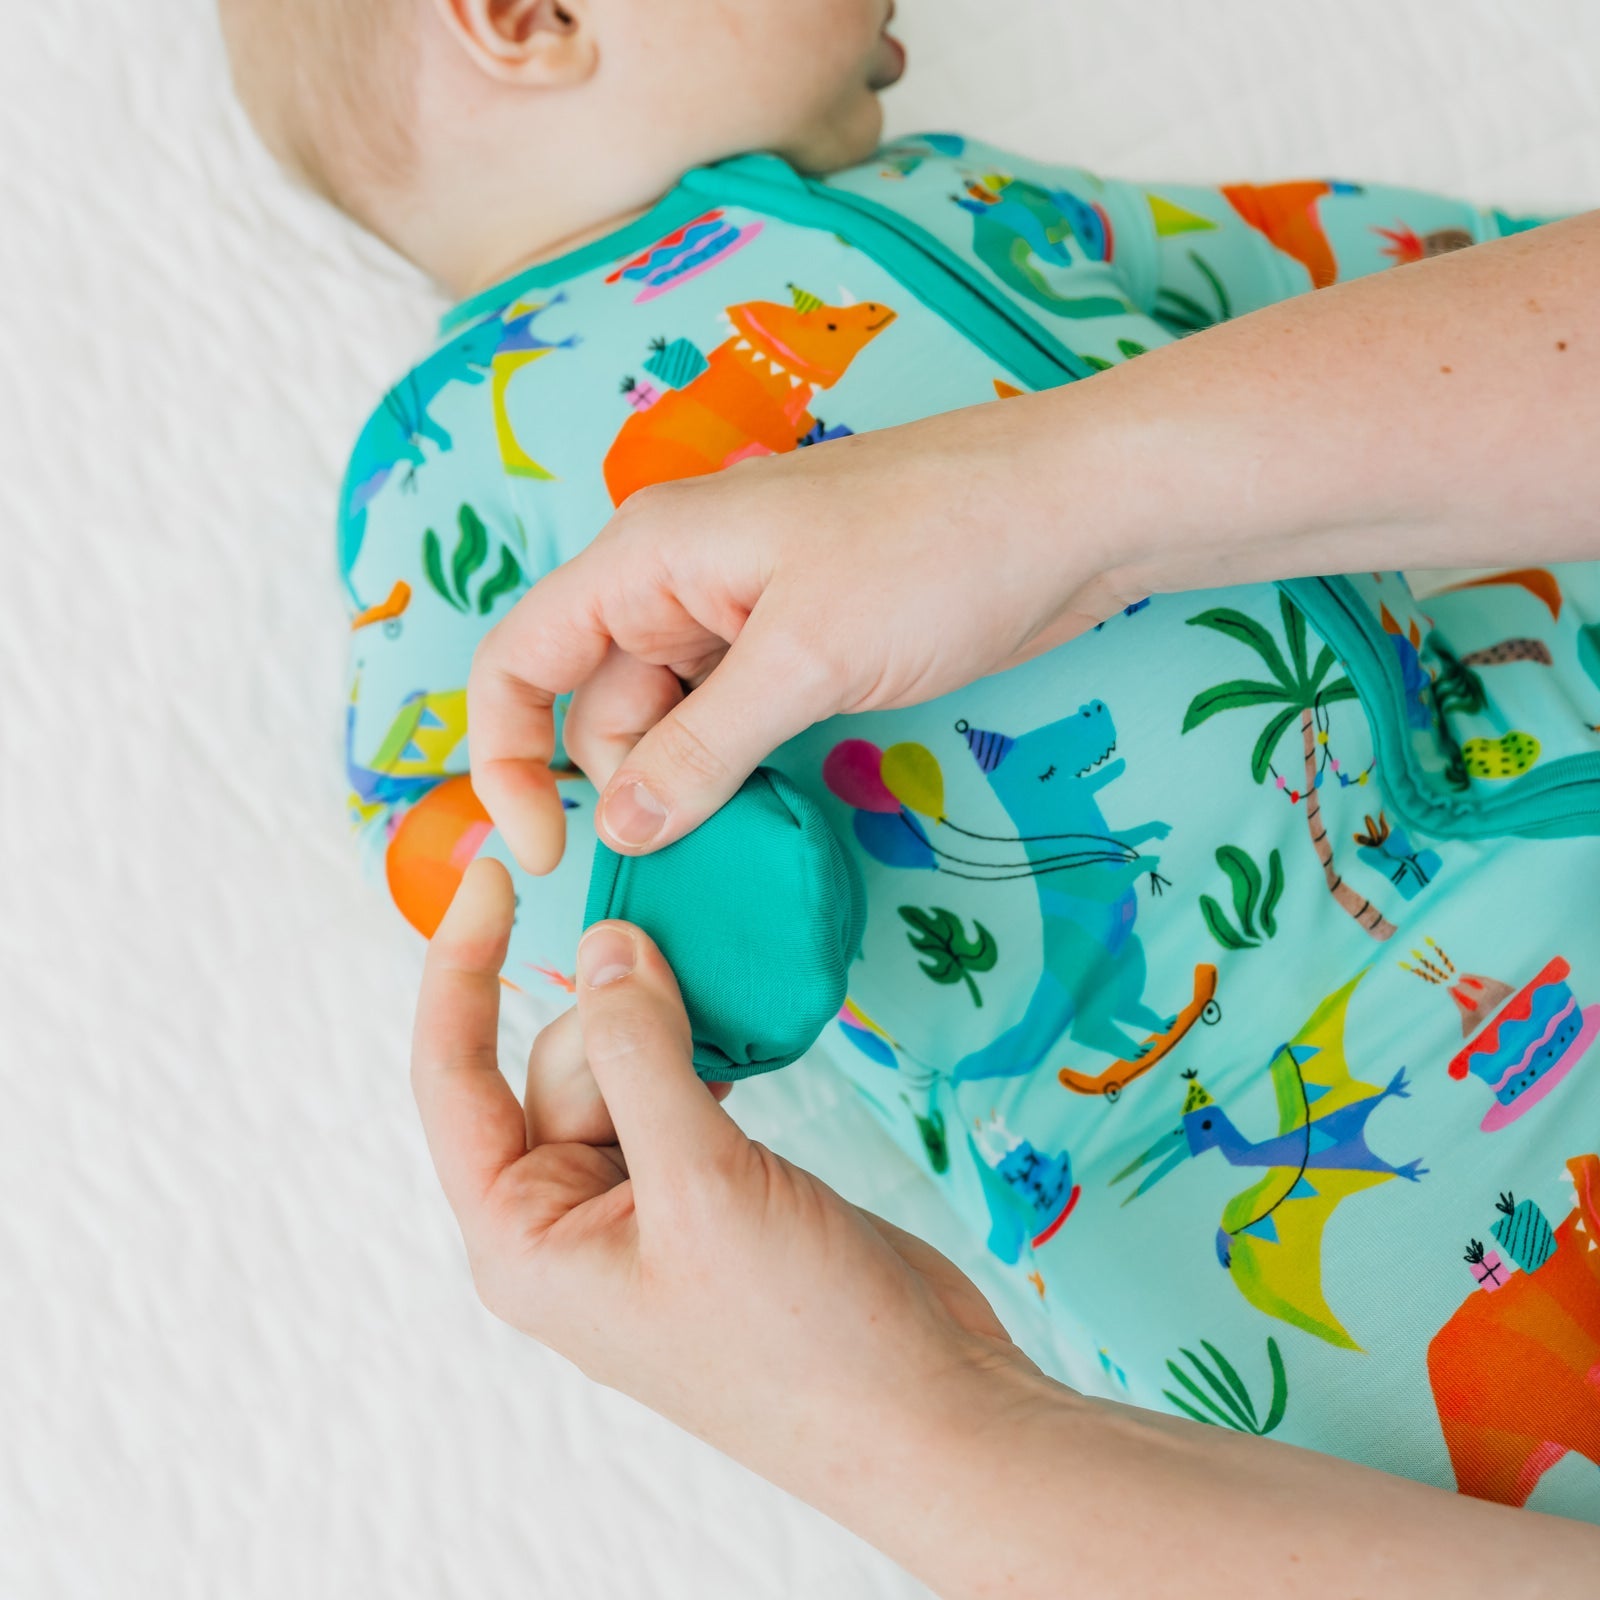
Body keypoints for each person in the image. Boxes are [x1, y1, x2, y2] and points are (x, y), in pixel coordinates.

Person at [212, 0, 1600, 1571]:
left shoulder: (972, 195)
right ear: (528, 18)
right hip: (1172, 1133)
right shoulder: (447, 450)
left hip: (1529, 777)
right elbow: (442, 792)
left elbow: (1325, 269)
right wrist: (655, 880)